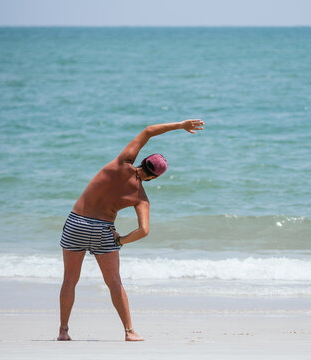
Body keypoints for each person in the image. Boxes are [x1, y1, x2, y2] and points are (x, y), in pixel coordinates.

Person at [57, 119, 204, 341]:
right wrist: (120, 241)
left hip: (76, 222)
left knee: (70, 280)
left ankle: (63, 331)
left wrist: (181, 125)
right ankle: (129, 331)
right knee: (114, 282)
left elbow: (148, 131)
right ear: (154, 178)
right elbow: (144, 230)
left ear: (142, 160)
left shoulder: (121, 163)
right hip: (102, 230)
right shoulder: (141, 197)